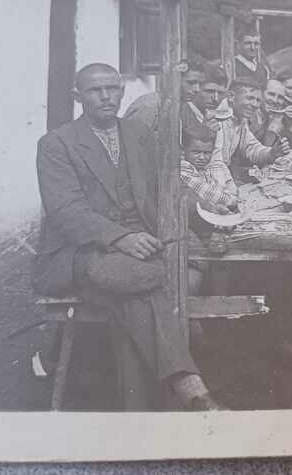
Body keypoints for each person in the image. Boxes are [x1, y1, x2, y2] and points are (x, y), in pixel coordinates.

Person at [34, 63, 223, 411]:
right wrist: (121, 238)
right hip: (81, 251)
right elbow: (65, 212)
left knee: (142, 287)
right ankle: (189, 387)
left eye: (112, 88)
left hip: (139, 251)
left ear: (122, 91)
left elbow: (164, 190)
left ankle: (149, 405)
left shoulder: (138, 133)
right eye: (95, 90)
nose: (106, 96)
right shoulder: (56, 144)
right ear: (78, 97)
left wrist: (212, 209)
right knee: (149, 277)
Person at [214, 77, 288, 178]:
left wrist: (272, 152)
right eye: (250, 98)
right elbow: (215, 164)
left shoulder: (240, 118)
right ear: (231, 96)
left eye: (258, 100)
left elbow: (252, 148)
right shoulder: (217, 117)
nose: (255, 105)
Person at [122, 59, 204, 132]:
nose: (197, 89)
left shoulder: (184, 106)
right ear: (175, 80)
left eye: (200, 84)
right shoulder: (150, 105)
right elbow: (131, 142)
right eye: (191, 83)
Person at [179, 123, 238, 213]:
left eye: (207, 153)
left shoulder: (205, 170)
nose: (202, 157)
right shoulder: (183, 167)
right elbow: (207, 192)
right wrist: (231, 200)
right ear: (183, 151)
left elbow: (218, 188)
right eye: (196, 152)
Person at [259, 79, 292, 147]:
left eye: (280, 97)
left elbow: (290, 148)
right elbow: (265, 150)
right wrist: (273, 127)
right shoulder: (249, 116)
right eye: (271, 94)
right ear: (261, 94)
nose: (275, 100)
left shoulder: (276, 117)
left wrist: (290, 125)